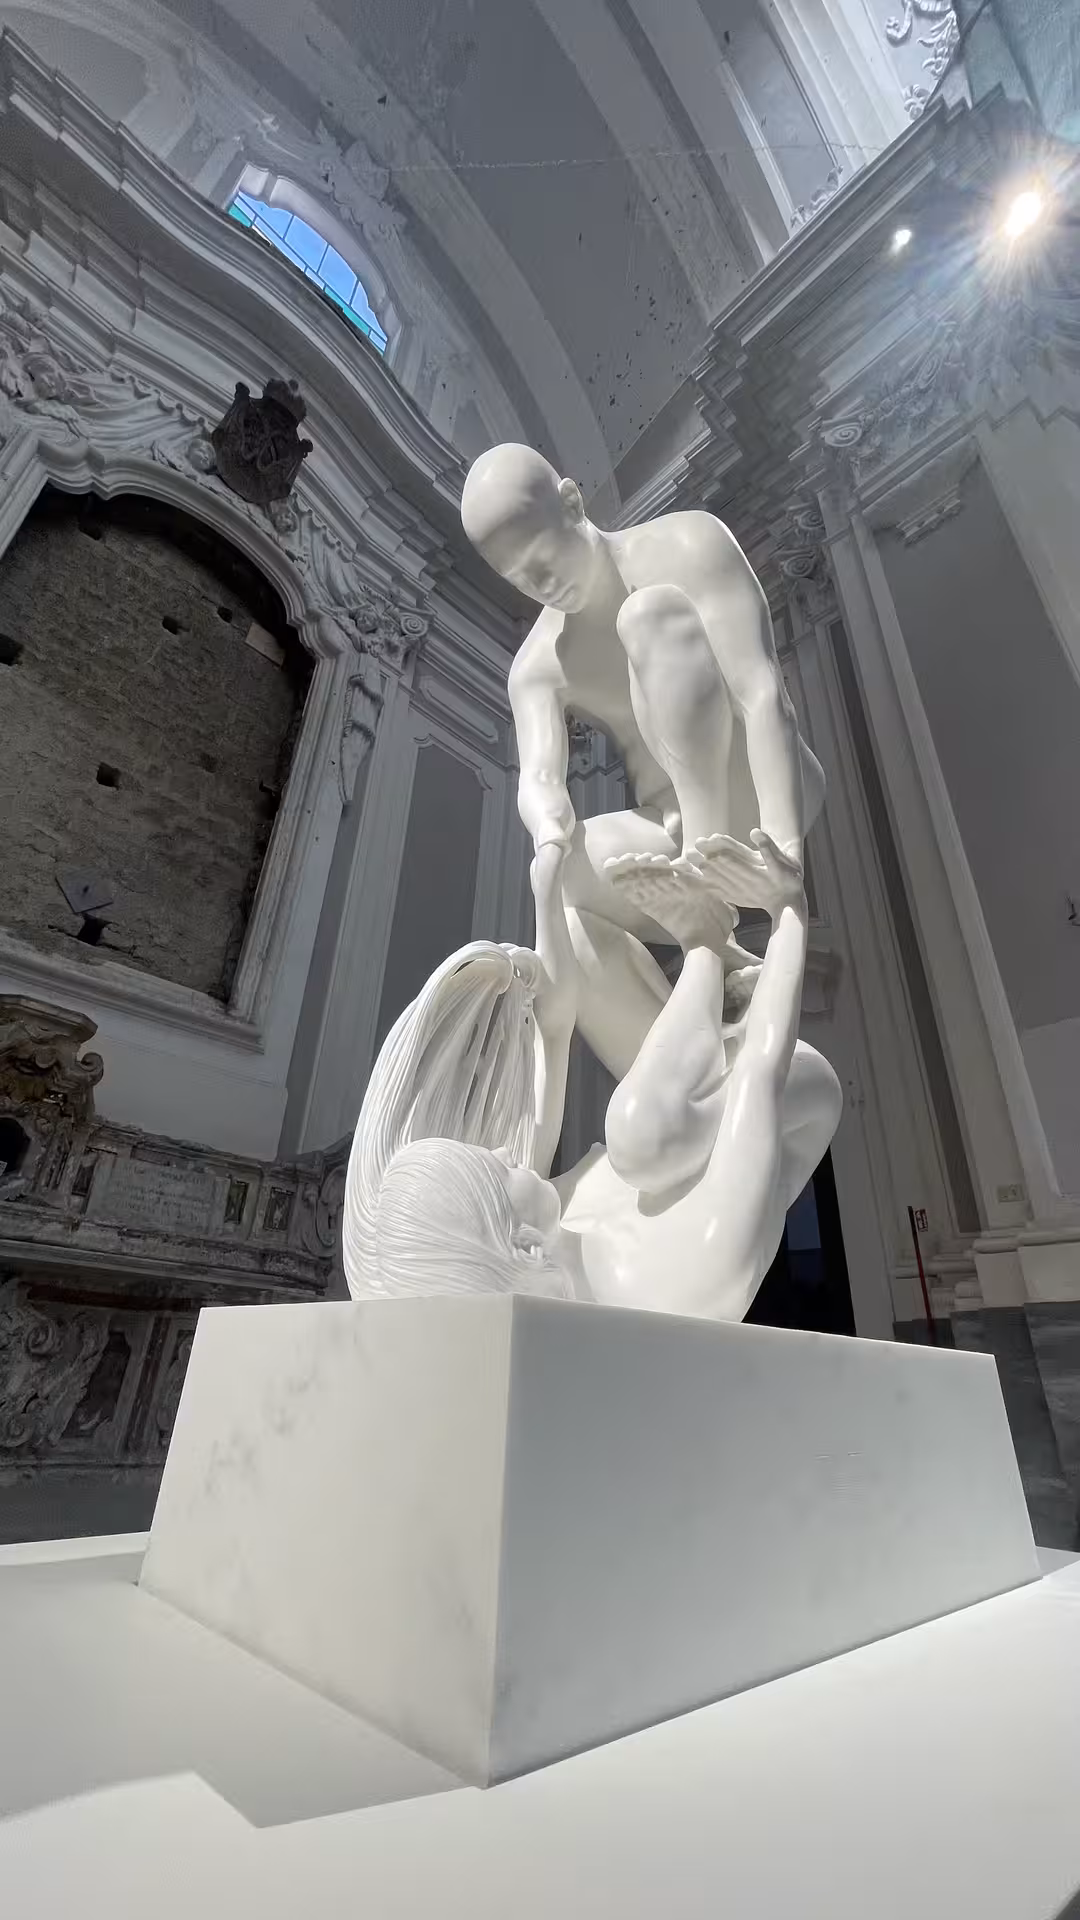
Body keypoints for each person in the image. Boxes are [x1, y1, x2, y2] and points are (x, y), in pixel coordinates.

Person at [342, 588, 841, 1323]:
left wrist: (548, 893)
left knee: (575, 937)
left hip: (689, 1091)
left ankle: (712, 944)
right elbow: (765, 1066)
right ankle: (711, 941)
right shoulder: (685, 1281)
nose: (510, 1157)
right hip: (773, 1090)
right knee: (639, 1132)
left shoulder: (555, 1218)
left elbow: (553, 1033)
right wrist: (789, 907)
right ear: (521, 1244)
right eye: (498, 1172)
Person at [460, 445, 826, 1086]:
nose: (540, 584)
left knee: (648, 615)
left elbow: (762, 692)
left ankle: (710, 919)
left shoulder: (685, 544)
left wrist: (786, 858)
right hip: (671, 823)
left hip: (757, 796)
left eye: (543, 555)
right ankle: (680, 1082)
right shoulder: (538, 663)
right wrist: (548, 833)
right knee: (570, 885)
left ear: (573, 500)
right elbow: (539, 779)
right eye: (518, 576)